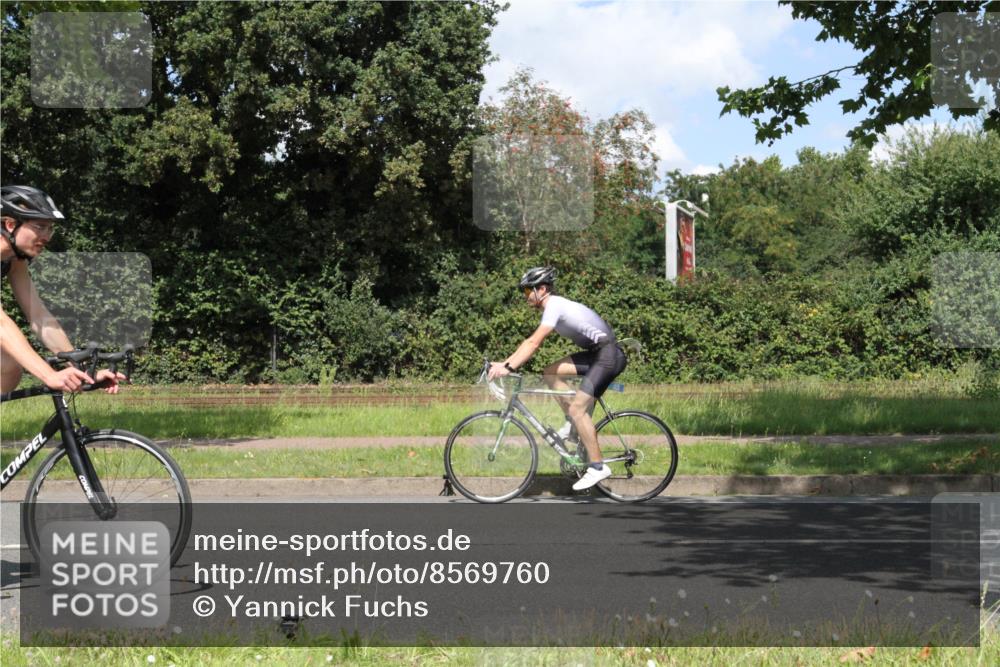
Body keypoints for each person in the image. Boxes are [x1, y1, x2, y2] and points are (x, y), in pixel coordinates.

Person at [488, 266, 627, 491]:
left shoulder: (554, 305)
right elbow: (528, 342)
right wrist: (505, 364)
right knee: (550, 372)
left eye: (528, 291)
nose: (526, 296)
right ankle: (574, 423)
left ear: (542, 289)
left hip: (608, 356)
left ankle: (598, 467)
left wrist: (509, 367)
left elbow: (534, 343)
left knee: (578, 409)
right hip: (598, 355)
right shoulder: (553, 306)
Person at [1, 185, 123, 394]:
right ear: (11, 224)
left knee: (8, 368)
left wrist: (83, 371)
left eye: (50, 228)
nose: (47, 236)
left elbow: (39, 316)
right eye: (40, 226)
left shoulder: (14, 260)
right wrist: (49, 375)